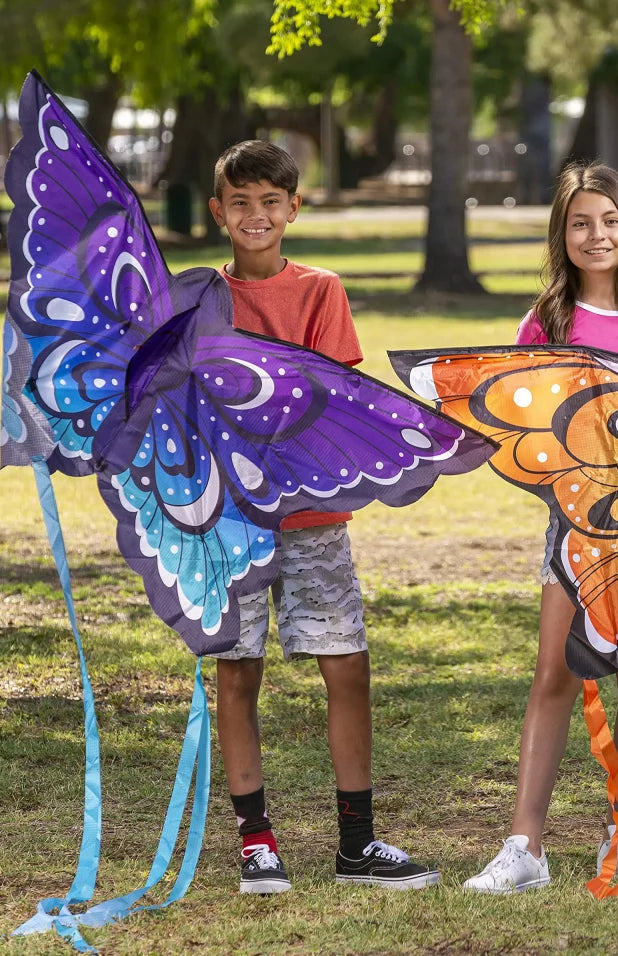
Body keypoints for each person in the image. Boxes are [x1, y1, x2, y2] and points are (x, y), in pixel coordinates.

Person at [206, 140, 440, 895]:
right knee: (237, 672)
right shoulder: (198, 297)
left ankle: (356, 844)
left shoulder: (321, 290)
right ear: (218, 212)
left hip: (315, 517)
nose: (255, 215)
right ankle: (257, 842)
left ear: (294, 208)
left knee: (346, 666)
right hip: (231, 523)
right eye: (240, 202)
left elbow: (334, 395)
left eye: (270, 201)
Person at [463, 161, 618, 894]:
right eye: (582, 222)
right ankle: (524, 847)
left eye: (611, 220)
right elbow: (522, 426)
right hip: (573, 529)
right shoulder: (546, 324)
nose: (598, 235)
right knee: (555, 674)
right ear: (562, 234)